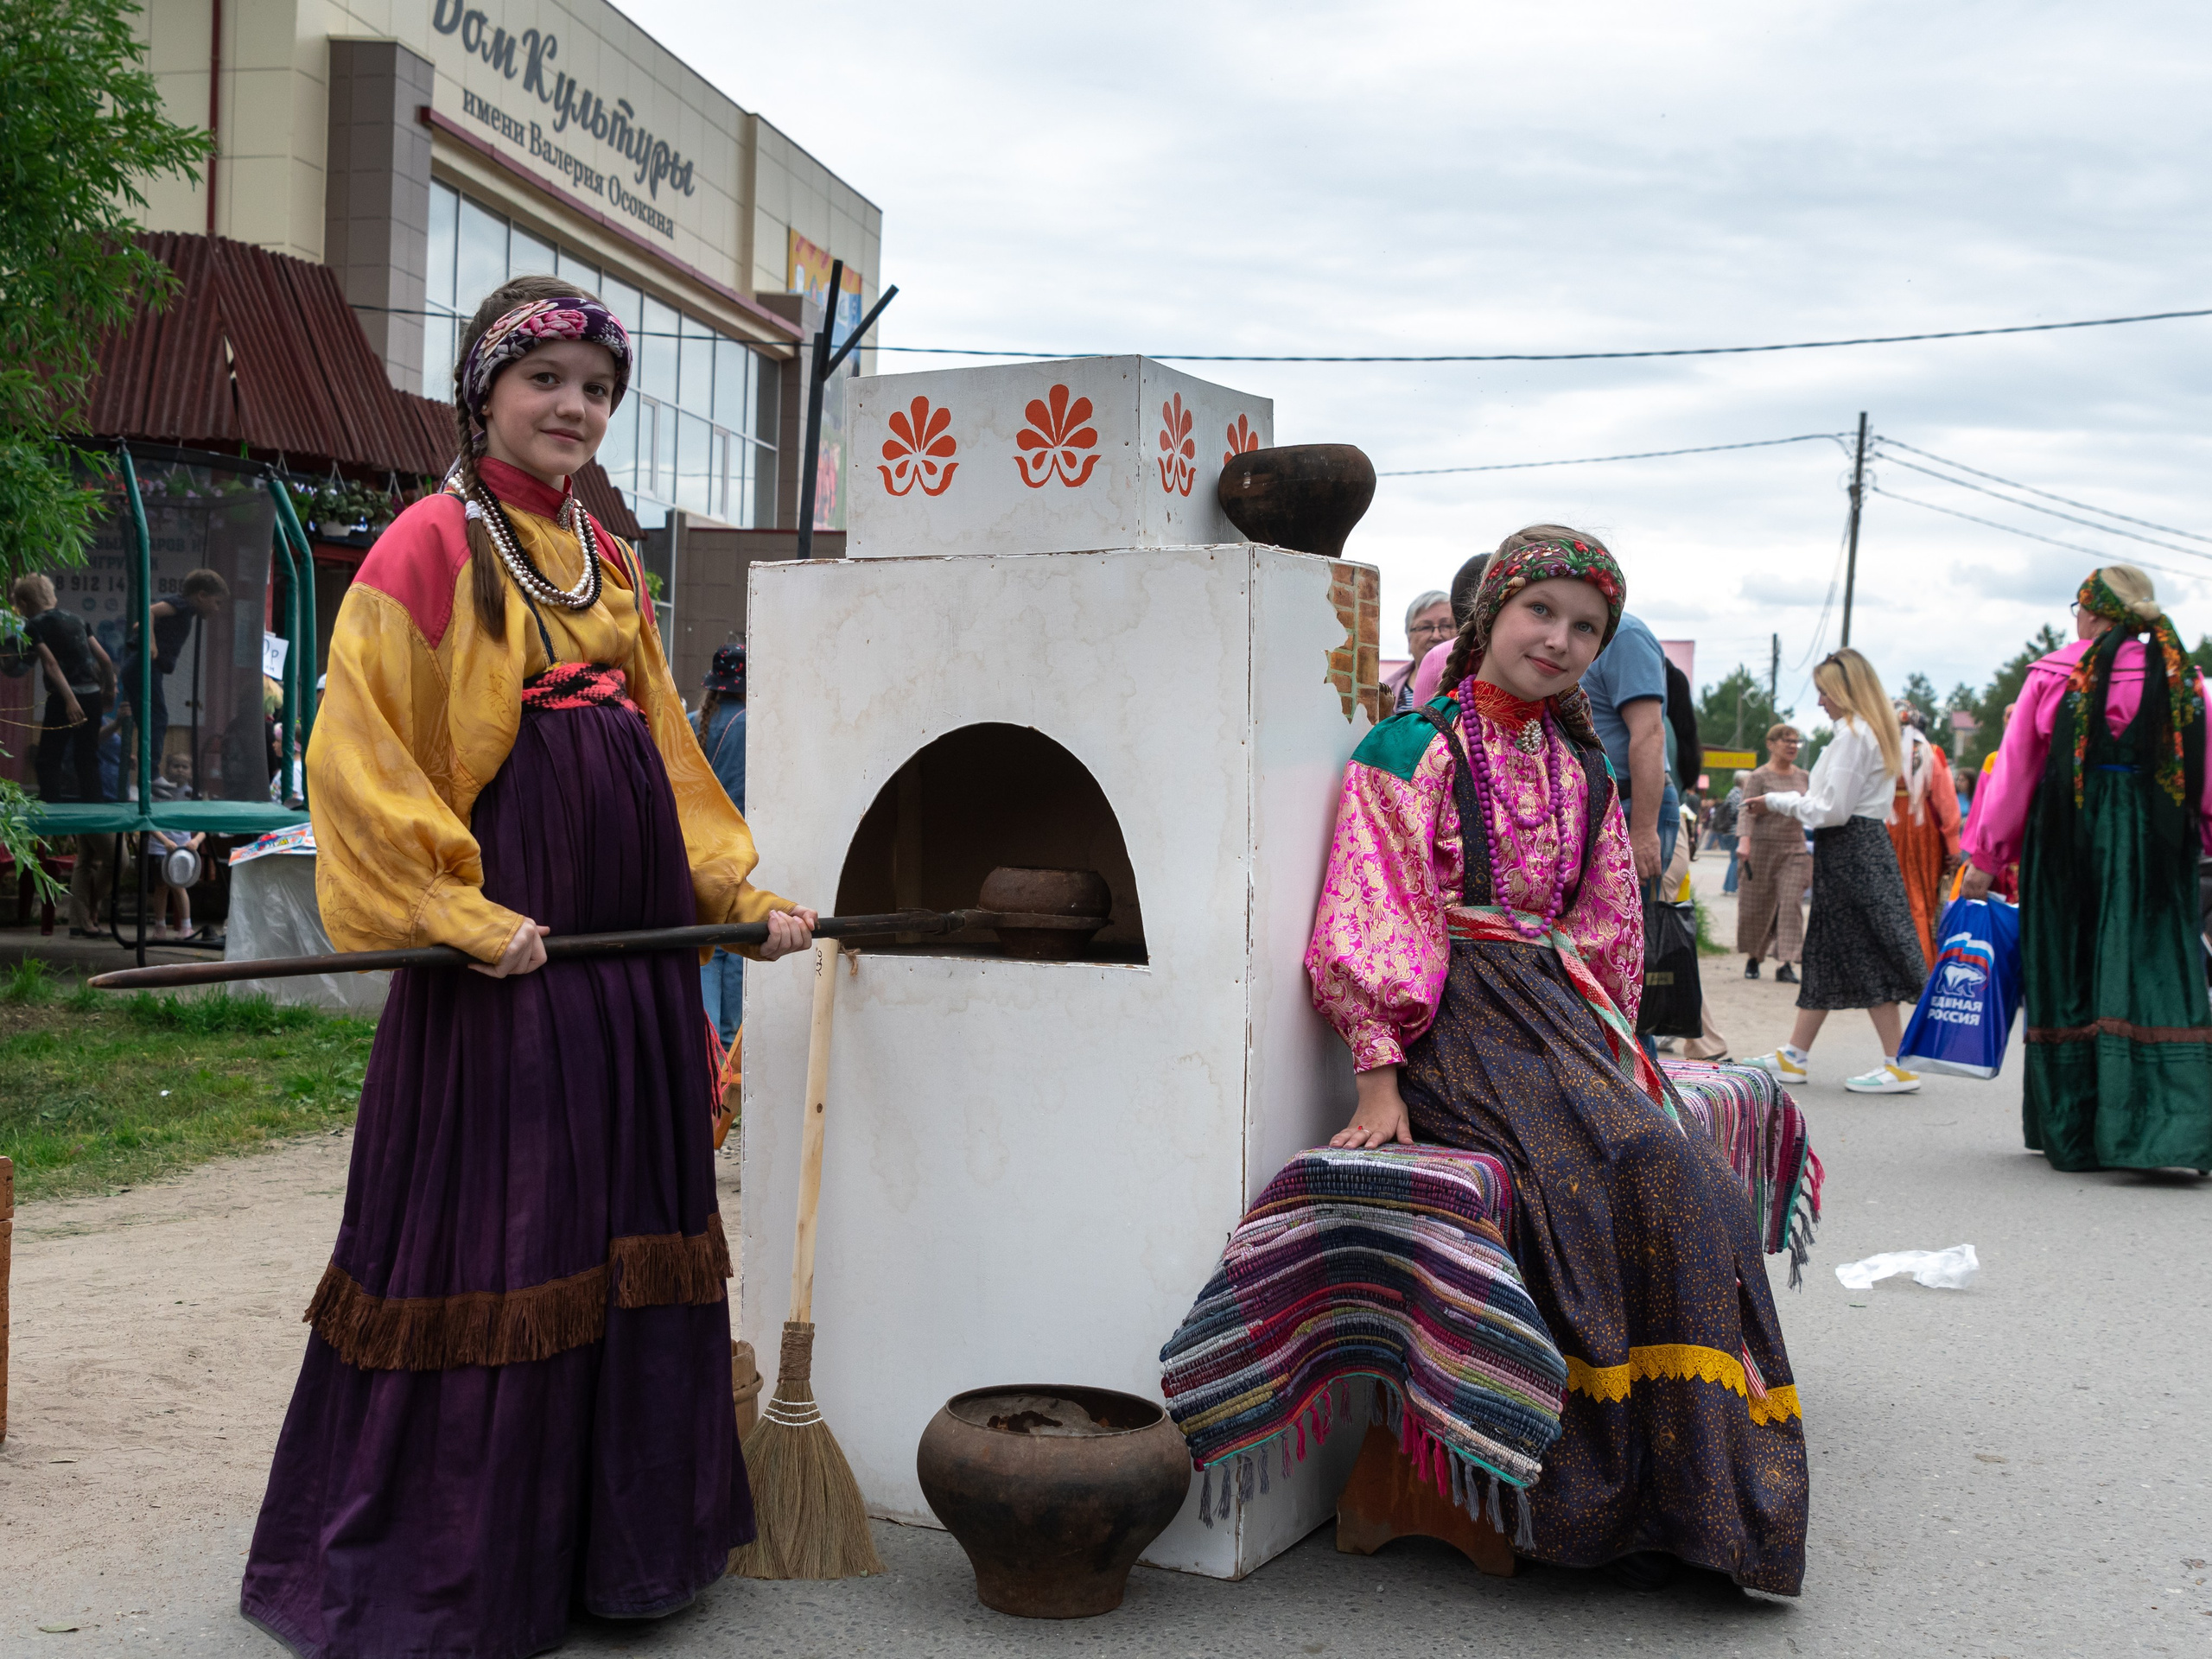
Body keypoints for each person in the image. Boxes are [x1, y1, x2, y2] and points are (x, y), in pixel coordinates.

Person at [240, 276, 818, 1656]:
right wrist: (457, 910)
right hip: (509, 970)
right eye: (548, 379)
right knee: (507, 1231)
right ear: (485, 392)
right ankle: (463, 1573)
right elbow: (362, 757)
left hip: (624, 973)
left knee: (619, 1221)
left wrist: (737, 892)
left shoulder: (608, 560)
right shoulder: (431, 546)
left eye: (598, 390)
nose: (575, 408)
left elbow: (673, 753)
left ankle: (619, 1556)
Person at [1307, 527, 1806, 1597]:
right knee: (1613, 1178)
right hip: (1455, 1019)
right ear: (1492, 612)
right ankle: (1588, 1497)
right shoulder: (1410, 747)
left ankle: (1687, 1502)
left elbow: (1605, 920)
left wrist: (1613, 1048)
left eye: (1587, 628)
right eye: (1544, 613)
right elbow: (1374, 904)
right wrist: (1379, 1070)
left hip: (1555, 1015)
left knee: (1697, 1183)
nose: (1562, 639)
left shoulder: (1577, 765)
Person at [1961, 565, 2212, 1173]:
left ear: (2095, 612)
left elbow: (2015, 769)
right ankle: (2163, 1129)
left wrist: (1988, 857)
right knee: (2153, 966)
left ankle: (2076, 1130)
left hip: (2068, 842)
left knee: (2069, 971)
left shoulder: (2054, 675)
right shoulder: (2186, 677)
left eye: (2078, 605)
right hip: (2157, 844)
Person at [1745, 652, 1928, 1093]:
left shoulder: (1851, 735)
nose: (1821, 701)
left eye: (1825, 691)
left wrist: (1777, 802)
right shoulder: (1875, 731)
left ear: (1845, 691)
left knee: (1866, 948)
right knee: (1826, 949)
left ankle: (1898, 1061)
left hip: (1850, 850)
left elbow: (1832, 811)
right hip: (1860, 847)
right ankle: (1795, 1054)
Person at [10, 573, 115, 802]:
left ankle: (51, 806)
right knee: (87, 755)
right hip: (92, 695)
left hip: (64, 697)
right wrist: (109, 689)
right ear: (52, 597)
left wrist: (69, 699)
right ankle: (94, 806)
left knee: (48, 757)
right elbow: (105, 659)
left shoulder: (34, 625)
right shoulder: (78, 619)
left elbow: (51, 663)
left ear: (24, 604)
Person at [117, 568, 230, 778]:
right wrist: (150, 642)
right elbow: (148, 612)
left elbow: (138, 624)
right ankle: (151, 775)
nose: (217, 609)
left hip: (144, 668)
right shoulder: (182, 604)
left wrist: (147, 632)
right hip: (143, 666)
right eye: (217, 602)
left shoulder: (184, 609)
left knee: (150, 719)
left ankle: (148, 775)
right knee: (157, 719)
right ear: (202, 595)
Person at [695, 642, 747, 1046]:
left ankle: (708, 1047)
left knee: (705, 949)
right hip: (739, 851)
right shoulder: (753, 723)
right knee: (735, 950)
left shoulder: (693, 722)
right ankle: (728, 1045)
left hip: (697, 852)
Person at [1887, 702, 1962, 965]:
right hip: (1922, 828)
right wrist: (1953, 846)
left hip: (1887, 824)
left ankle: (1889, 965)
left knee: (1888, 893)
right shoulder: (1932, 753)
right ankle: (1922, 963)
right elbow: (1947, 801)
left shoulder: (1881, 751)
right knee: (1921, 893)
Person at [1735, 726, 1811, 982]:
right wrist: (1744, 842)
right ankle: (1754, 957)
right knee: (1758, 905)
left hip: (1794, 848)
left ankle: (1786, 962)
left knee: (1791, 904)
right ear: (1771, 744)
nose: (1792, 746)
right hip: (1761, 848)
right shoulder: (1758, 776)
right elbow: (1746, 810)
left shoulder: (1804, 777)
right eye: (1786, 741)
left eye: (1796, 742)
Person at [1387, 590, 1452, 713]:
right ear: (1408, 637)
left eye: (1447, 626)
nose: (1436, 636)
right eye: (1426, 627)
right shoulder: (1384, 692)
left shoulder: (1471, 686)